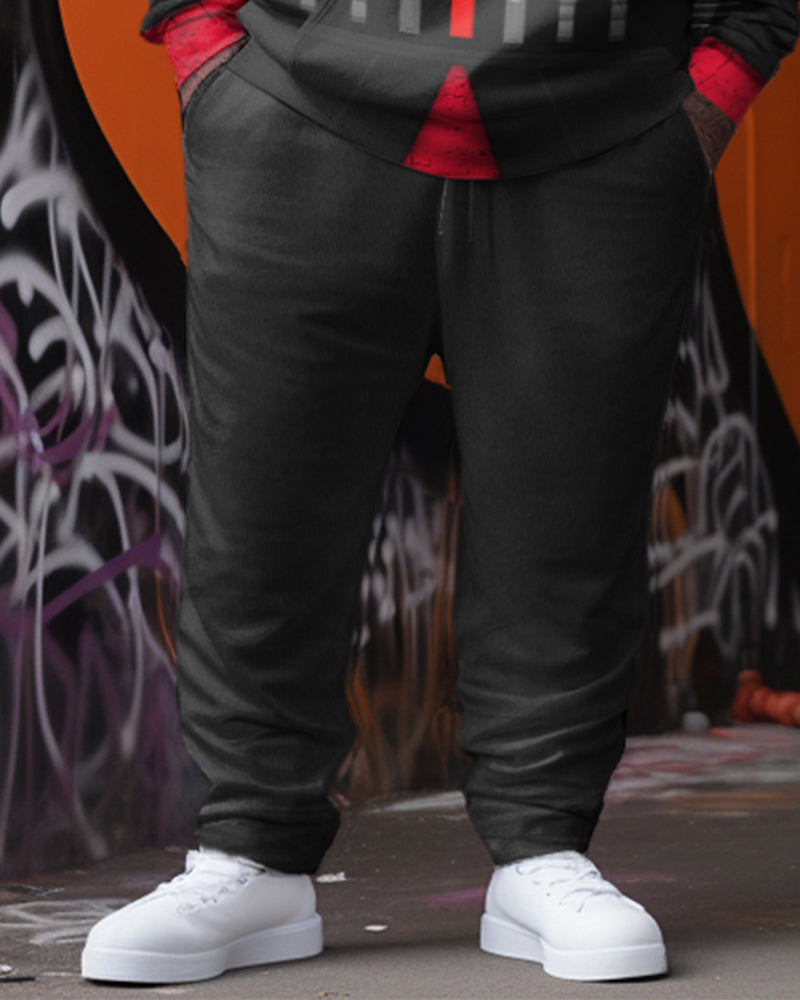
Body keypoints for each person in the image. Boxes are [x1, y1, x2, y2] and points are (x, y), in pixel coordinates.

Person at [81, 0, 798, 985]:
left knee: (570, 510)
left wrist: (714, 86)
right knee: (261, 508)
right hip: (292, 96)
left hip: (602, 112)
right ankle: (248, 852)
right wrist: (201, 36)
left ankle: (542, 849)